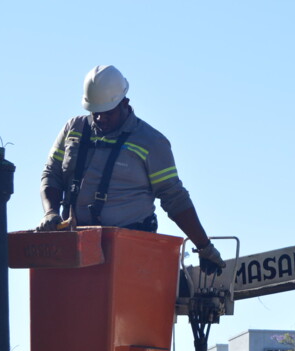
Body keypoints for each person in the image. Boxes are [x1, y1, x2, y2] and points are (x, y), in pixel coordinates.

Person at [38, 65, 225, 274]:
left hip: (127, 253)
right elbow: (51, 174)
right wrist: (51, 212)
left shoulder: (150, 142)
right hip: (74, 248)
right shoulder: (73, 129)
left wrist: (204, 247)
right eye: (95, 112)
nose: (100, 119)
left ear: (124, 103)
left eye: (107, 113)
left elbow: (174, 198)